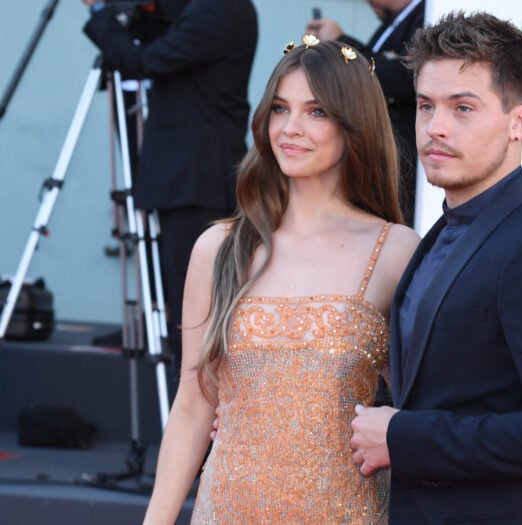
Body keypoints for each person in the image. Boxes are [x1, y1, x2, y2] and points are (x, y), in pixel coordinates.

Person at [142, 36, 420, 524]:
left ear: (353, 124)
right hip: (227, 509)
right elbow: (192, 405)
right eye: (279, 108)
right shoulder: (219, 248)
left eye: (316, 112)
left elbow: (421, 405)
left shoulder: (395, 251)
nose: (290, 129)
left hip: (347, 512)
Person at [349, 11, 522, 524]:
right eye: (425, 106)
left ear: (520, 122)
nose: (435, 127)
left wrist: (404, 436)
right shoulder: (442, 233)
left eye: (462, 107)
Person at [82, 0, 258, 362]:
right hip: (190, 172)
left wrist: (101, 11)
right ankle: (179, 359)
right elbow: (164, 21)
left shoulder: (218, 10)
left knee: (192, 292)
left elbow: (143, 62)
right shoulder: (211, 9)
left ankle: (191, 382)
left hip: (196, 174)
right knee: (182, 284)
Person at [306, 0, 425, 226]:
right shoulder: (392, 23)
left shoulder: (427, 16)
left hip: (403, 168)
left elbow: (401, 78)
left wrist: (342, 44)